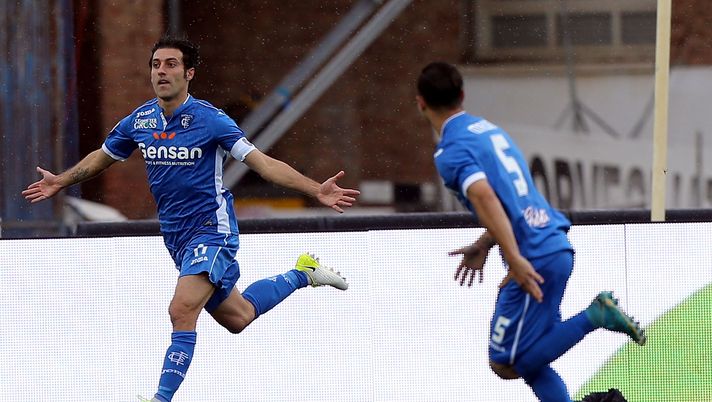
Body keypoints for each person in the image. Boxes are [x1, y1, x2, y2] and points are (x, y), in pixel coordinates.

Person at [22, 37, 360, 402]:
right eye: (156, 65)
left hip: (211, 231)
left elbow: (262, 163)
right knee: (239, 317)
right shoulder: (140, 120)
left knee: (181, 309)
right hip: (177, 239)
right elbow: (102, 157)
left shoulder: (210, 120)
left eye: (171, 64)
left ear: (189, 73)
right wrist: (61, 180)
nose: (161, 72)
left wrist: (315, 189)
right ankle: (303, 273)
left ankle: (161, 398)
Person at [415, 62, 645, 402]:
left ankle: (595, 315)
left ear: (420, 102)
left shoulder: (451, 152)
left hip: (532, 256)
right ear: (462, 95)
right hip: (553, 243)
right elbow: (513, 198)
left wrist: (513, 257)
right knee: (531, 356)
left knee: (505, 362)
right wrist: (486, 243)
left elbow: (485, 196)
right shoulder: (491, 132)